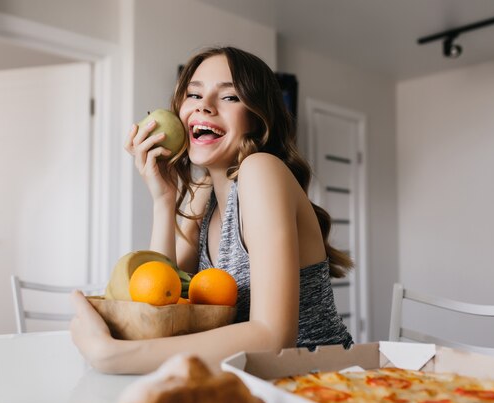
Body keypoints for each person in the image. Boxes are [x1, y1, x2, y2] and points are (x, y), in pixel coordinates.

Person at [70, 46, 353, 374]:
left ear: (257, 118)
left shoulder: (262, 170)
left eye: (229, 97)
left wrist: (114, 356)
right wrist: (163, 201)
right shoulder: (204, 195)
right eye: (193, 94)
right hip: (249, 382)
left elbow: (275, 337)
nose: (204, 105)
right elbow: (162, 303)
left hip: (324, 384)